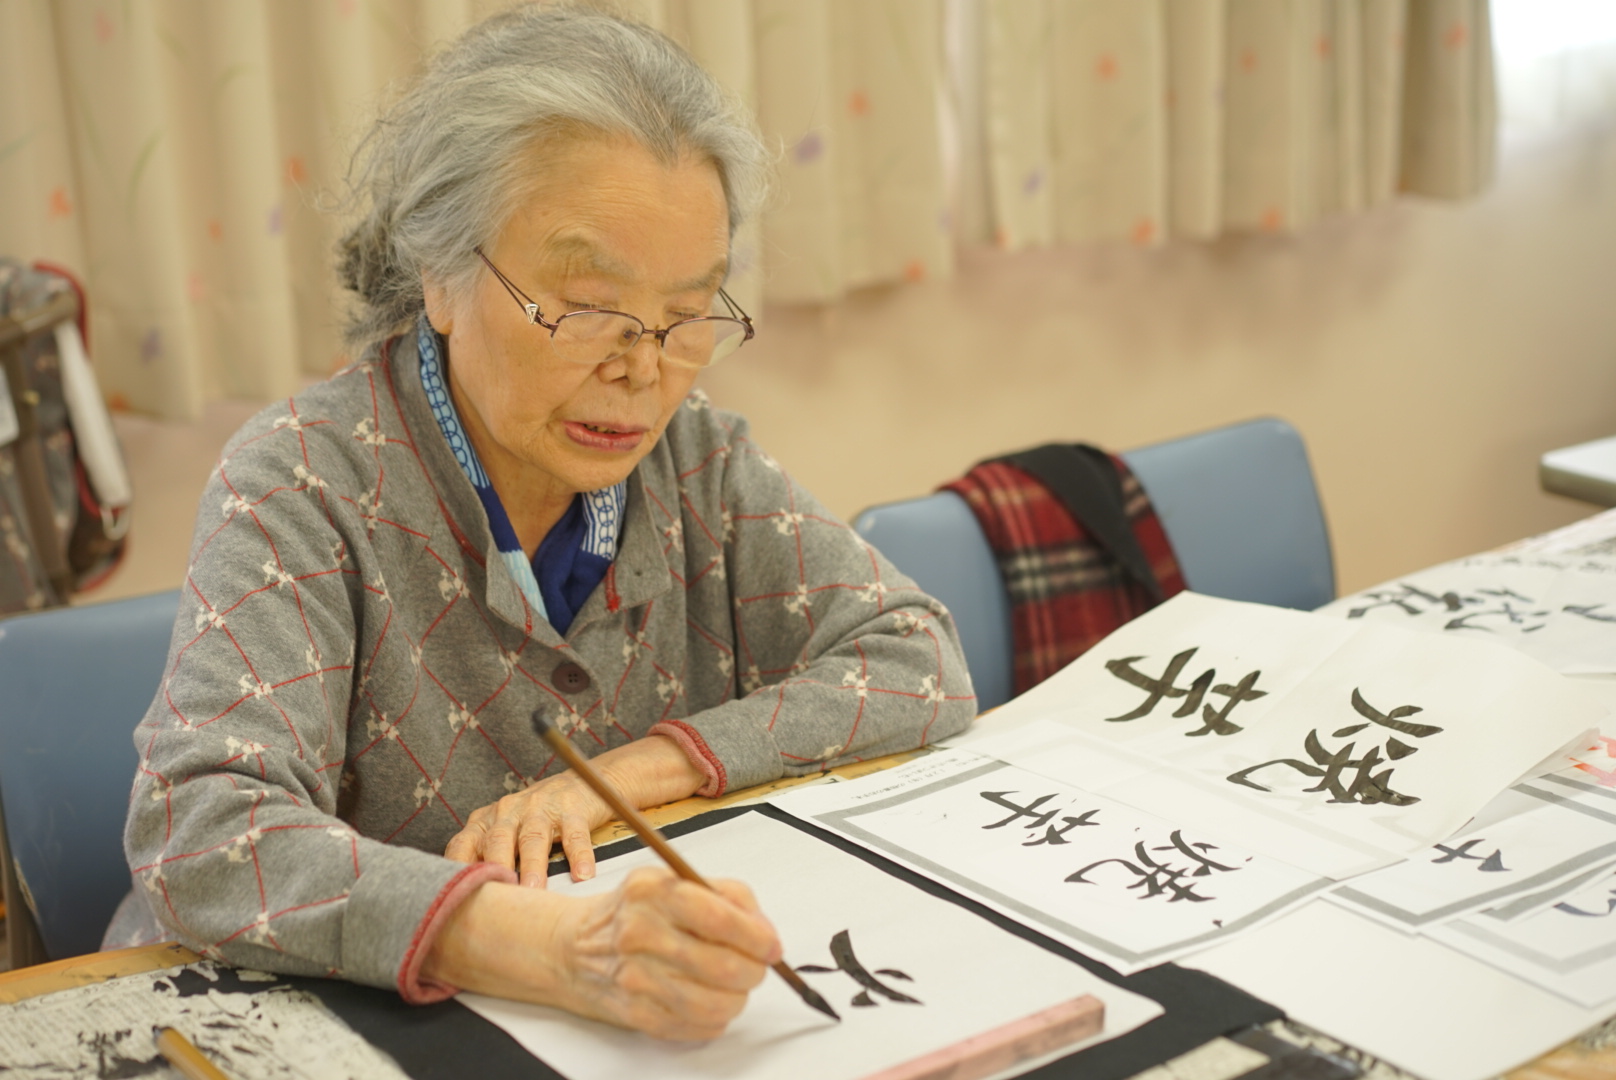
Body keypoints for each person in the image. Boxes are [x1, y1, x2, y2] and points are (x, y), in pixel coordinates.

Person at [109, 4, 974, 1042]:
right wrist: (557, 948)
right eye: (586, 307)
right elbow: (205, 834)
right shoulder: (303, 481)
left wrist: (625, 778)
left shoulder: (694, 457)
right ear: (440, 274)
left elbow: (914, 660)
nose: (642, 370)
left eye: (686, 314)